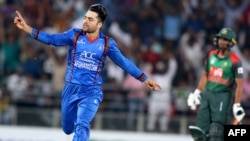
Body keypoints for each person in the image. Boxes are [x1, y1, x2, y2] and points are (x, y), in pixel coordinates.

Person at [13, 4, 161, 141]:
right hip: (71, 89)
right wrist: (27, 28)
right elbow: (52, 39)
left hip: (92, 91)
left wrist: (144, 78)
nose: (85, 21)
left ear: (99, 24)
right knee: (67, 129)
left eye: (90, 19)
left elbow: (124, 62)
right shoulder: (75, 35)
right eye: (85, 17)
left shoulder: (107, 44)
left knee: (82, 124)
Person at [187, 27, 246, 141]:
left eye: (225, 39)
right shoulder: (211, 55)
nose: (221, 42)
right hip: (207, 94)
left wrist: (237, 104)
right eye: (220, 39)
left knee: (217, 131)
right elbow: (205, 75)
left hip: (223, 95)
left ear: (231, 42)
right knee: (200, 131)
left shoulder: (235, 61)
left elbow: (239, 84)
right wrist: (197, 92)